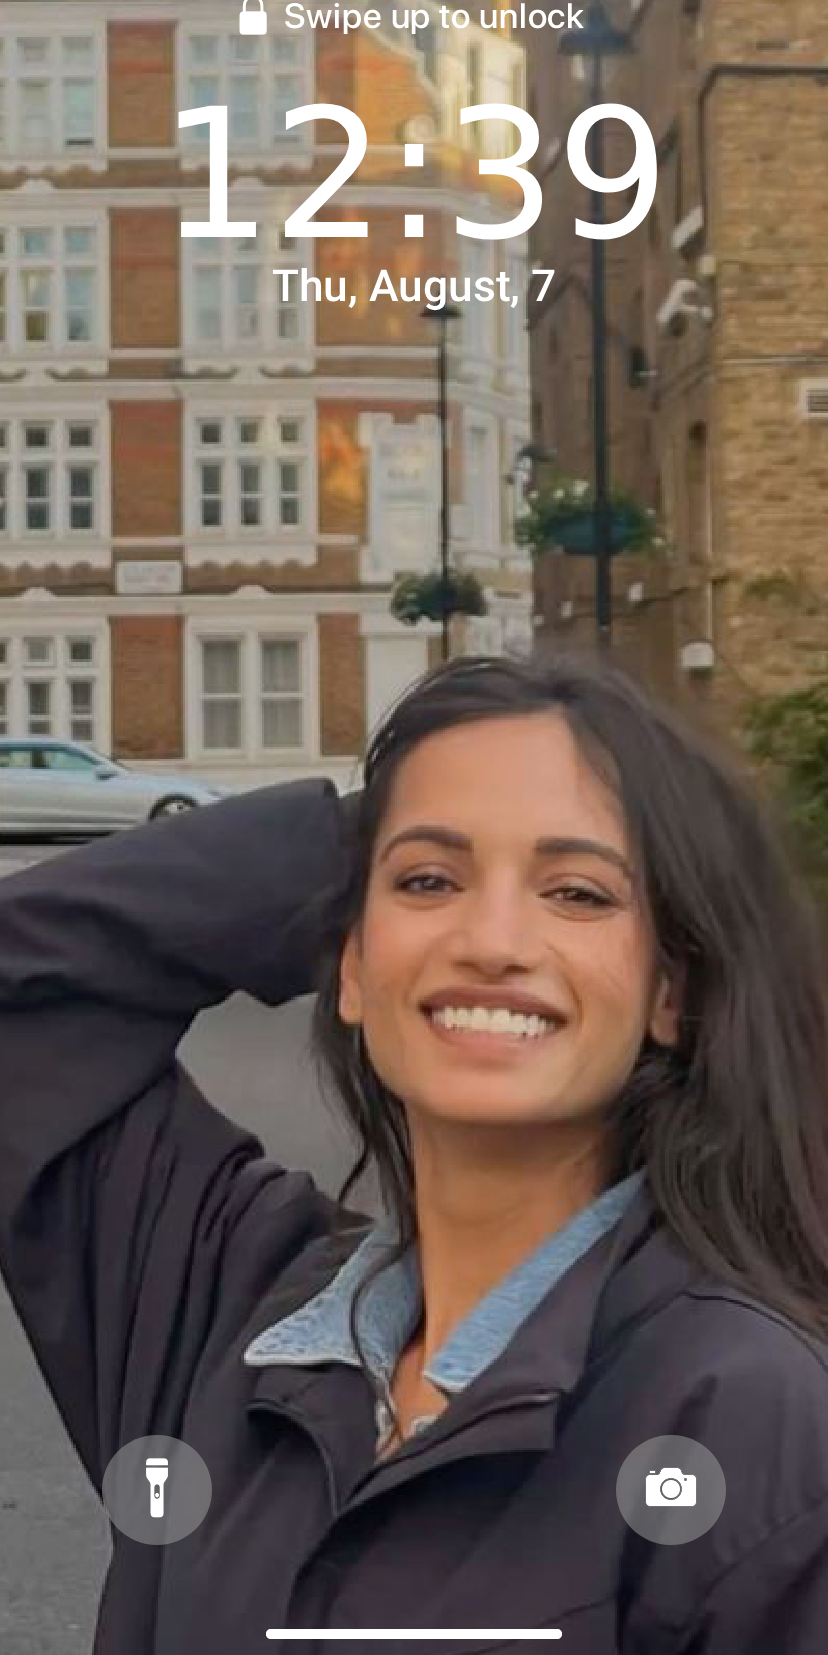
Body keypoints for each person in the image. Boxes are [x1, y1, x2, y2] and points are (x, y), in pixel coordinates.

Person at [2, 653, 828, 1655]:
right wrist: (377, 816)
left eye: (576, 893)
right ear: (351, 964)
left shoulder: (746, 1415)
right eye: (428, 880)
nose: (492, 940)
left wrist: (447, 823)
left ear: (669, 991)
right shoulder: (223, 1306)